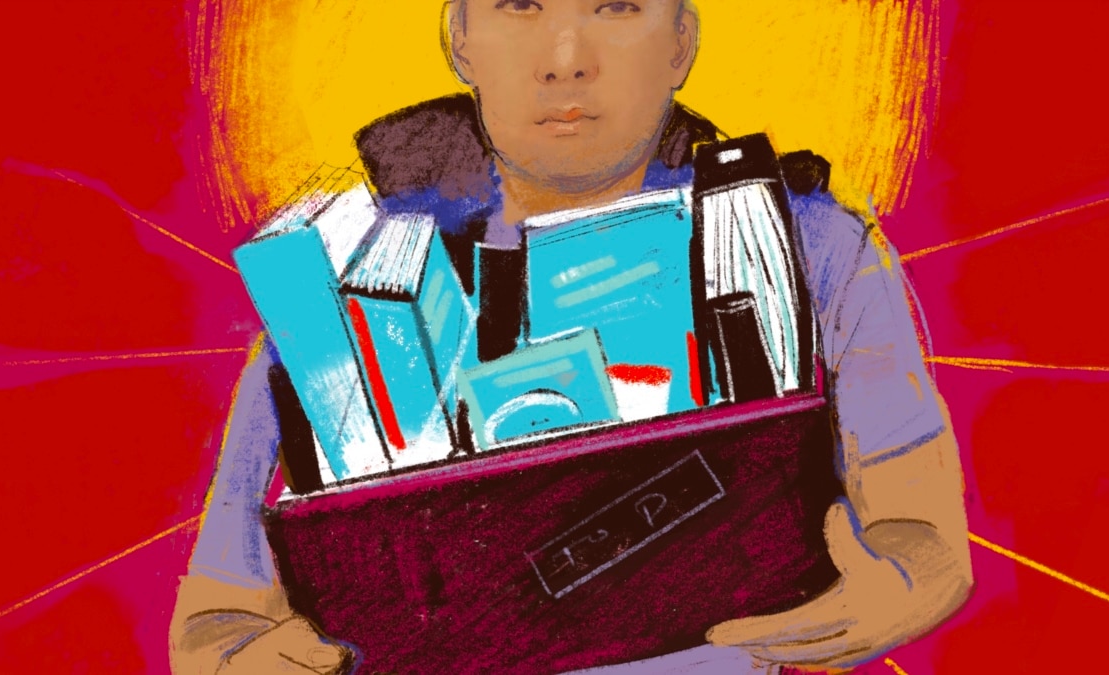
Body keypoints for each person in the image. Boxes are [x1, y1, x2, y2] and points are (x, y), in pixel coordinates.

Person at [170, 0, 973, 672]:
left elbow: (927, 536)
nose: (565, 60)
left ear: (682, 41)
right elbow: (216, 618)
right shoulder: (340, 288)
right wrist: (242, 658)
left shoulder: (809, 244)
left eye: (616, 5)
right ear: (460, 38)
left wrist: (899, 587)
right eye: (520, 5)